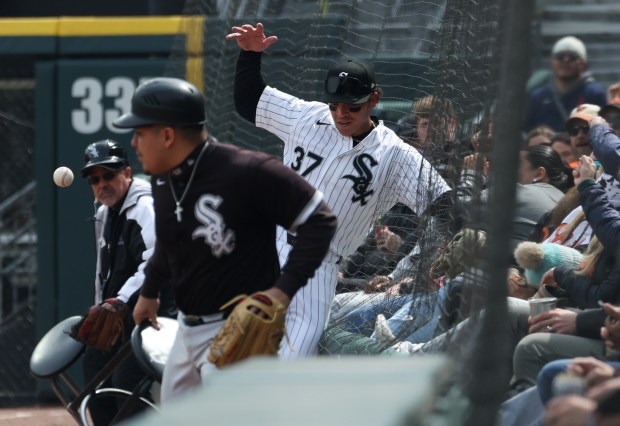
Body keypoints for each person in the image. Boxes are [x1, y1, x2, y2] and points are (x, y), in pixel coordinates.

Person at [226, 23, 451, 358]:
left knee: (291, 361)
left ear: (374, 99)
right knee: (230, 354)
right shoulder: (307, 117)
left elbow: (446, 205)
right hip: (266, 247)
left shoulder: (394, 155)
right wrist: (249, 56)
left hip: (319, 267)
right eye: (335, 105)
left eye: (352, 107)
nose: (340, 114)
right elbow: (250, 101)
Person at [112, 77, 337, 404]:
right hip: (185, 331)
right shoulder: (164, 178)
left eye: (140, 132)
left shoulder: (246, 170)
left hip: (236, 333)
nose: (134, 142)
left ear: (167, 135)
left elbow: (320, 220)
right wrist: (149, 292)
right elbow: (169, 240)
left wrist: (282, 291)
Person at [80, 140, 174, 425]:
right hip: (120, 317)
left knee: (126, 384)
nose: (102, 184)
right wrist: (102, 304)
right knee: (95, 376)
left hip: (155, 316)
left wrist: (119, 300)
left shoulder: (145, 207)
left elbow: (157, 261)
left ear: (128, 172)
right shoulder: (104, 213)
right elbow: (103, 272)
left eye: (109, 174)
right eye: (94, 179)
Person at [524, 35, 607, 132]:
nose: (565, 60)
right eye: (560, 56)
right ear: (552, 62)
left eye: (572, 57)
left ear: (583, 64)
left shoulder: (595, 93)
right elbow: (529, 131)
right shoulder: (539, 96)